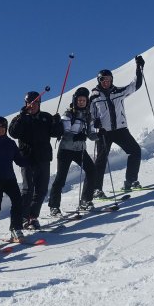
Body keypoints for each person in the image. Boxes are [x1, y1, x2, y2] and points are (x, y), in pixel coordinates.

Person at [90, 55, 146, 196]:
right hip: (104, 133)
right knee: (101, 161)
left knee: (135, 151)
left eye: (109, 80)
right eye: (103, 80)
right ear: (99, 80)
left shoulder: (119, 92)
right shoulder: (94, 97)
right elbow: (88, 116)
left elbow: (135, 85)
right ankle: (96, 189)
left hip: (121, 130)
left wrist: (139, 68)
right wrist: (94, 122)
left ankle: (131, 181)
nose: (106, 82)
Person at [8, 90, 63, 230]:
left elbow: (57, 133)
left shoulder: (46, 117)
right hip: (27, 159)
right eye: (29, 103)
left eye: (35, 103)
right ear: (26, 104)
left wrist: (57, 123)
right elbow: (13, 133)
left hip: (43, 158)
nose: (32, 106)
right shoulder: (20, 118)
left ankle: (32, 218)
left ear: (39, 103)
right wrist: (21, 117)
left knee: (42, 189)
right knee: (27, 190)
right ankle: (21, 218)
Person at [47, 87, 99, 215]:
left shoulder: (88, 115)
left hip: (80, 150)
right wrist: (76, 136)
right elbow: (65, 132)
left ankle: (86, 200)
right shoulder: (69, 114)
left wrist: (99, 133)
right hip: (66, 149)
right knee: (61, 178)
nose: (81, 102)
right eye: (79, 100)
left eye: (84, 100)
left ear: (87, 101)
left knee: (92, 170)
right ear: (75, 100)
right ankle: (54, 206)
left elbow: (91, 135)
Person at [0, 116, 29, 248]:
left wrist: (29, 158)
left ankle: (15, 229)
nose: (0, 130)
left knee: (17, 201)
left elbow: (18, 160)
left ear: (6, 128)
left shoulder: (10, 143)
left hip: (9, 177)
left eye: (3, 127)